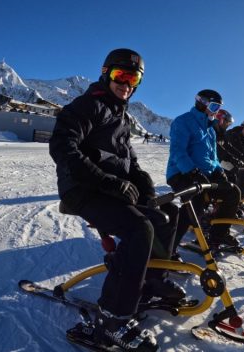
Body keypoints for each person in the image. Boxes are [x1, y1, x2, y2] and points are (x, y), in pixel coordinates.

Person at [49, 48, 184, 351]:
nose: (125, 83)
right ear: (105, 73)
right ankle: (112, 322)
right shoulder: (88, 105)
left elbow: (131, 165)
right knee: (140, 229)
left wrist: (146, 187)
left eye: (132, 77)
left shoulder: (121, 116)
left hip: (110, 189)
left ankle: (150, 284)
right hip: (82, 189)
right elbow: (62, 147)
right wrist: (106, 181)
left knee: (167, 215)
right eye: (119, 75)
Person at [165, 89, 241, 251]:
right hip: (180, 173)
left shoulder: (211, 130)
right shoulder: (183, 121)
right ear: (201, 103)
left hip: (205, 175)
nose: (216, 112)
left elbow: (212, 158)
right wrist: (192, 172)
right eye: (214, 107)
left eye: (218, 108)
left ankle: (215, 238)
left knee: (233, 192)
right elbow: (178, 151)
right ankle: (166, 250)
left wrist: (219, 172)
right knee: (194, 205)